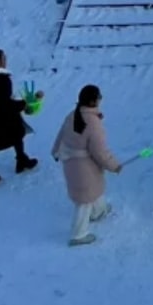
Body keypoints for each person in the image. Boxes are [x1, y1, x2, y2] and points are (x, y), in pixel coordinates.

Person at [51, 85, 122, 247]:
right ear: (93, 101)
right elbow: (100, 152)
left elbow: (60, 136)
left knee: (91, 191)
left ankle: (99, 211)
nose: (101, 99)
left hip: (72, 164)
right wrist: (114, 166)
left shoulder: (72, 115)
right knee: (84, 200)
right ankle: (78, 234)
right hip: (84, 167)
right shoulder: (93, 124)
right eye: (99, 97)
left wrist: (55, 152)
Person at [0, 48, 40, 190]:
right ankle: (21, 160)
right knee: (16, 134)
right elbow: (5, 104)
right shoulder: (3, 80)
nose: (6, 61)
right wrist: (23, 104)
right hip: (0, 116)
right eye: (4, 58)